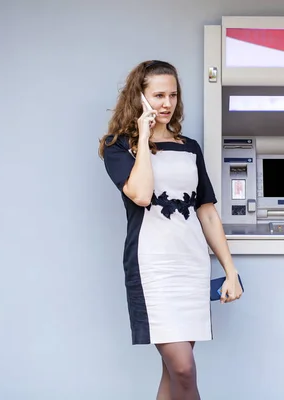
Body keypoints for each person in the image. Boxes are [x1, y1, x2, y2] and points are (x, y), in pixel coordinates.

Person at [98, 60, 243, 400]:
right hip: (152, 267)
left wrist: (230, 271)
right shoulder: (118, 146)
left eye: (173, 95)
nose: (167, 103)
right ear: (140, 97)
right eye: (158, 95)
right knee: (183, 368)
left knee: (172, 374)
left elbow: (206, 212)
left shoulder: (190, 147)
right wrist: (145, 136)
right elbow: (141, 194)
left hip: (190, 264)